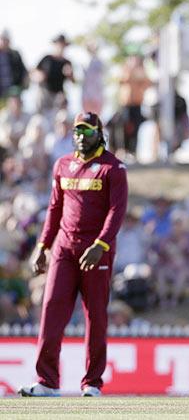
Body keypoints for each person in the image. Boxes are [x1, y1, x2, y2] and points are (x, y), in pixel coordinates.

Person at [18, 112, 128, 397]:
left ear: (99, 133)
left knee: (95, 317)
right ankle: (47, 382)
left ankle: (92, 383)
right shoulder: (63, 165)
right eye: (77, 131)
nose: (81, 136)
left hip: (95, 252)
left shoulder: (113, 168)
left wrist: (101, 245)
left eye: (87, 131)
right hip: (64, 250)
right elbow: (54, 209)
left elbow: (117, 213)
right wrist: (43, 246)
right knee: (52, 309)